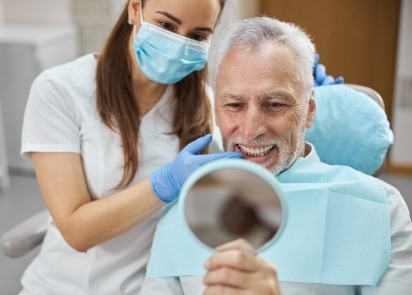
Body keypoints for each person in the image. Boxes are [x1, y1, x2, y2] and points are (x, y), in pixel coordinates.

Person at [142, 16, 412, 295]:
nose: (250, 131)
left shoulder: (379, 209)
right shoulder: (182, 209)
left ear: (308, 111)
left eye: (274, 104)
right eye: (234, 105)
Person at [19, 0, 243, 294]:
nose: (178, 44)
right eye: (166, 25)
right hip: (68, 286)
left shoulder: (205, 104)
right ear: (134, 9)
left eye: (197, 36)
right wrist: (164, 184)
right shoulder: (60, 90)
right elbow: (76, 231)